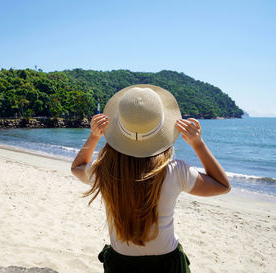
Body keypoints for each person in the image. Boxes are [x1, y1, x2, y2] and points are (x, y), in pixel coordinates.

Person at [71, 84, 230, 273]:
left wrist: (94, 136)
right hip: (167, 265)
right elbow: (222, 185)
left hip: (121, 265)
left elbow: (77, 167)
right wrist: (198, 144)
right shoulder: (175, 171)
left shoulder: (105, 171)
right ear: (161, 128)